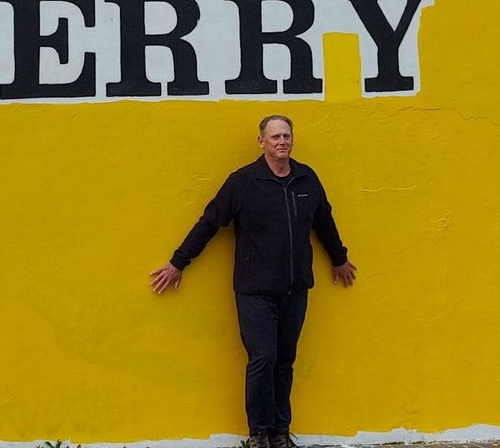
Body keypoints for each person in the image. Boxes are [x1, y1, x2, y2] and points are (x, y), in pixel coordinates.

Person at [149, 115, 356, 448]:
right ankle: (259, 433)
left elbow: (324, 221)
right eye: (274, 136)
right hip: (255, 290)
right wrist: (178, 263)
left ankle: (280, 432)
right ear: (261, 142)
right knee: (263, 358)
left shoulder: (306, 179)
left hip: (295, 287)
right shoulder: (243, 183)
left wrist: (339, 257)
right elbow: (210, 222)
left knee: (285, 360)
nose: (281, 141)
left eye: (286, 135)